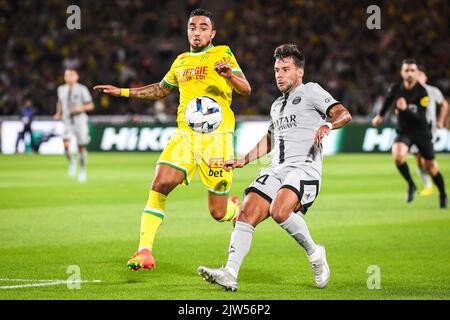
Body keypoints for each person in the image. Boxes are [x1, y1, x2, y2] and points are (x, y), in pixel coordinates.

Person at [94, 9, 251, 271]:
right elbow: (160, 90)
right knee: (160, 183)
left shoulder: (223, 53)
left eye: (203, 27)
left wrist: (229, 75)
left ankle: (234, 210)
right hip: (185, 135)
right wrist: (121, 92)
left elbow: (246, 89)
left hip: (217, 139)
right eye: (192, 27)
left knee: (218, 213)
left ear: (212, 33)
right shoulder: (180, 61)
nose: (197, 31)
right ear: (187, 31)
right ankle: (144, 250)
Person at [197, 44, 352, 291]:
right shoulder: (277, 105)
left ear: (299, 72)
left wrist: (328, 126)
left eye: (285, 69)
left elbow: (343, 113)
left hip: (305, 168)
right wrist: (243, 160)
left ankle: (315, 254)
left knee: (280, 210)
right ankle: (230, 272)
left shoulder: (311, 91)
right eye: (277, 69)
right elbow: (270, 138)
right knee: (246, 214)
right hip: (276, 169)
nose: (279, 74)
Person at [372, 59, 447, 208]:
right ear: (402, 72)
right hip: (405, 131)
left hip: (421, 132)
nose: (410, 73)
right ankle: (411, 184)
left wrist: (404, 109)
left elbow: (420, 117)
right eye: (407, 70)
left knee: (430, 167)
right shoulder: (395, 88)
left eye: (413, 70)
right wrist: (380, 115)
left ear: (416, 73)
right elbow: (388, 100)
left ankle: (443, 194)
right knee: (398, 156)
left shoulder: (422, 92)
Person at [412, 66, 449, 196]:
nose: (417, 78)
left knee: (427, 161)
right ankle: (428, 186)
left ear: (425, 78)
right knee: (418, 159)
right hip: (414, 129)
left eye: (420, 76)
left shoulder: (433, 91)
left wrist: (441, 120)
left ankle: (438, 189)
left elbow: (444, 104)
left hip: (428, 130)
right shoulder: (411, 91)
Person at [54, 69, 94, 183]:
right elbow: (59, 102)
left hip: (80, 120)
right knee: (66, 145)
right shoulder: (61, 89)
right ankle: (72, 161)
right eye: (67, 75)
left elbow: (90, 105)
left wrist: (80, 108)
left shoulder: (82, 89)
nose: (69, 77)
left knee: (81, 147)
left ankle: (82, 170)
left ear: (77, 77)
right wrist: (58, 112)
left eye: (71, 75)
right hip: (67, 120)